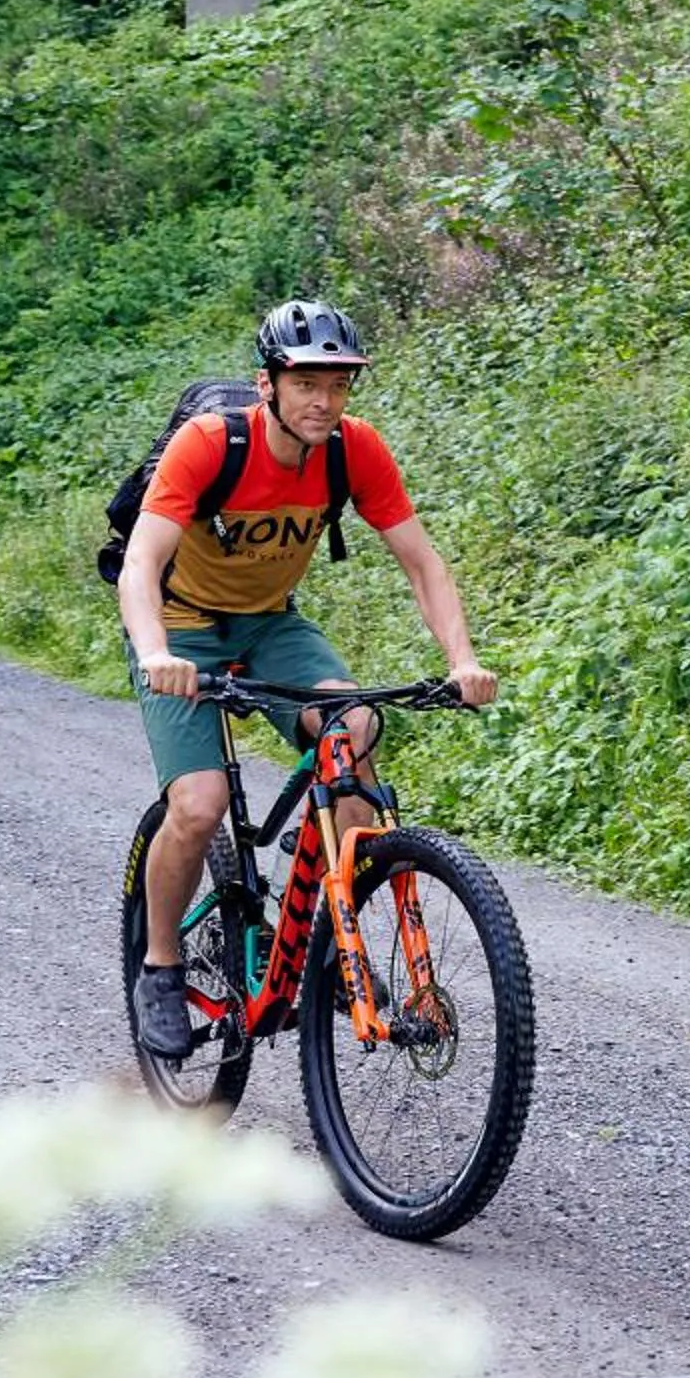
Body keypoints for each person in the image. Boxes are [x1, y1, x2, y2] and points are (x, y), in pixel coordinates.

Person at [116, 299, 497, 1058]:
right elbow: (140, 564)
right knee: (199, 803)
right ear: (269, 385)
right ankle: (160, 967)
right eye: (307, 383)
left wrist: (462, 660)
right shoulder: (207, 446)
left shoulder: (352, 451)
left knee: (352, 733)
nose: (325, 400)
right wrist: (157, 652)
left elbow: (423, 564)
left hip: (269, 622)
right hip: (182, 621)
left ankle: (334, 942)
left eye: (340, 384)